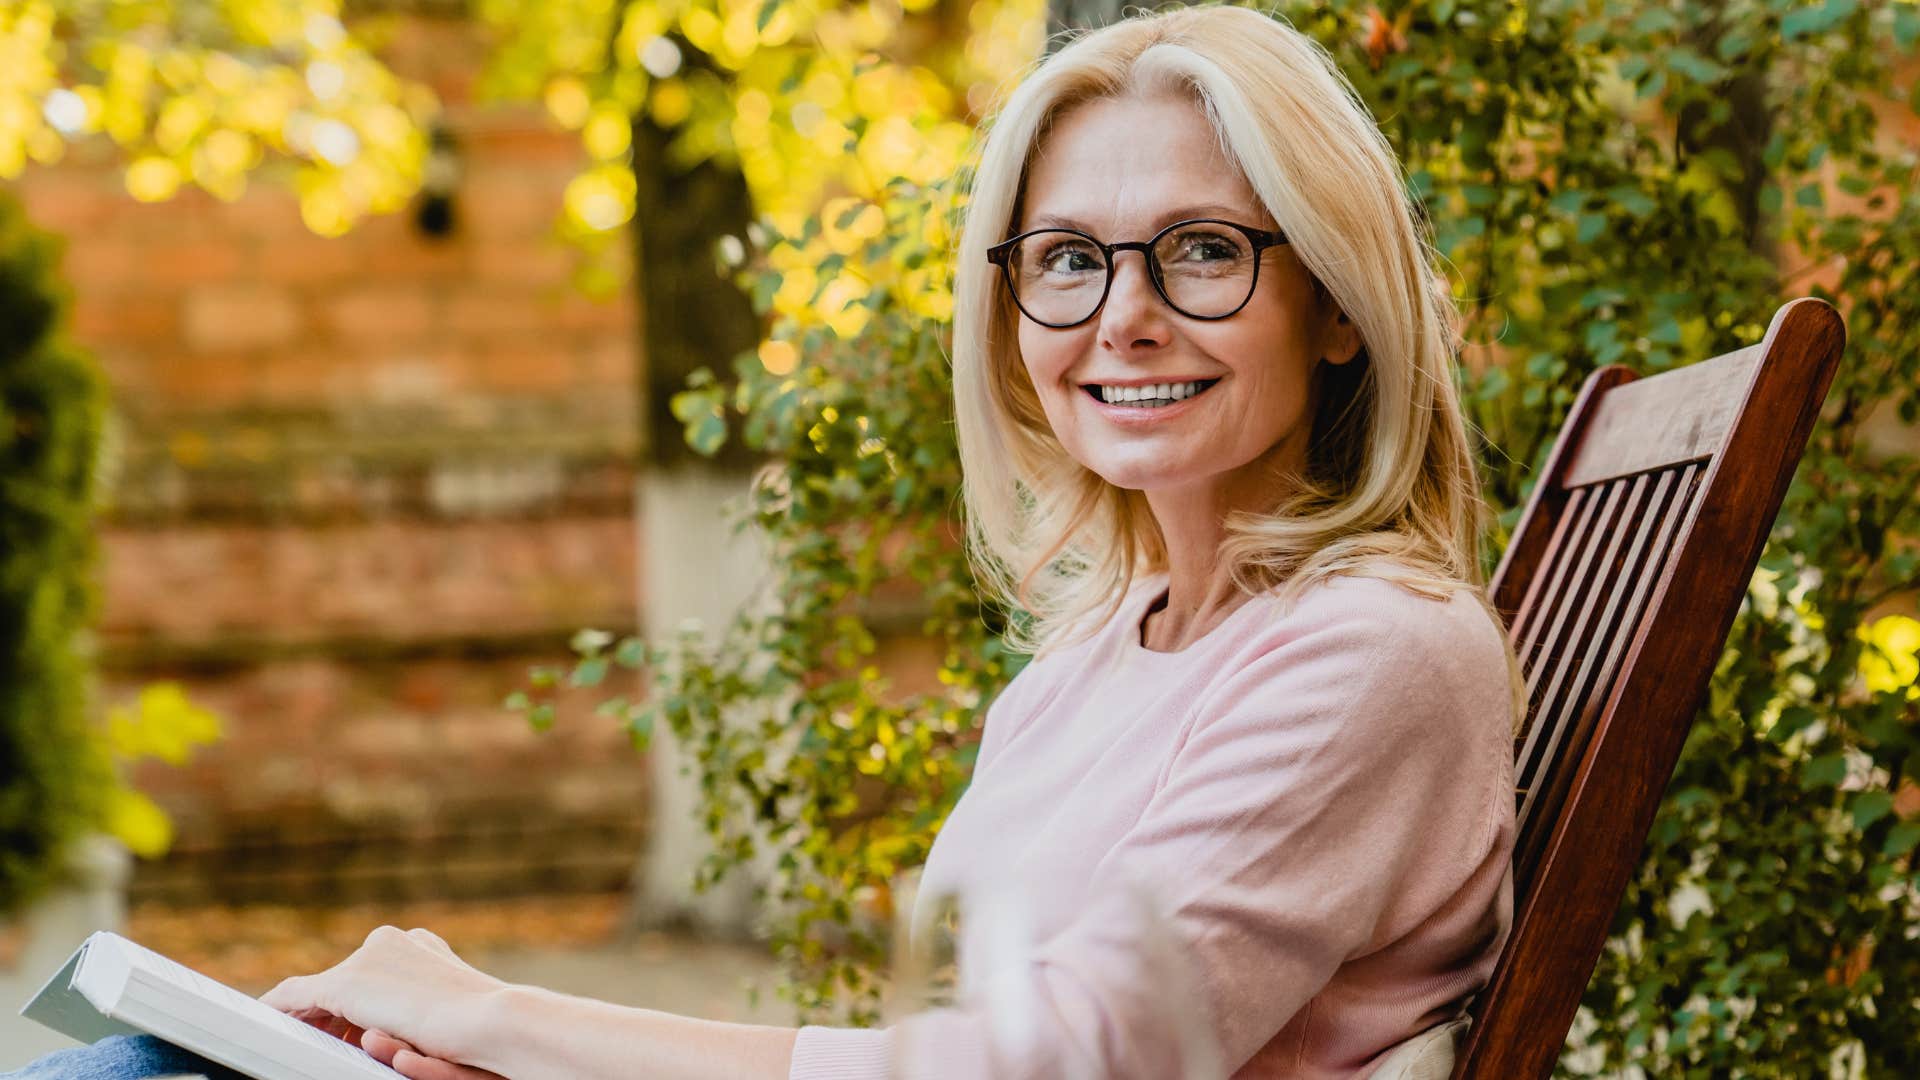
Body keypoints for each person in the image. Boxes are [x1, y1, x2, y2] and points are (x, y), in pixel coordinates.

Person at [7, 4, 1524, 1077]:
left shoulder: (1373, 653)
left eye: (1202, 250)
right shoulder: (1091, 661)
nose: (1122, 313)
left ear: (1332, 300)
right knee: (165, 1058)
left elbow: (1065, 1065)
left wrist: (507, 1018)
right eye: (1066, 260)